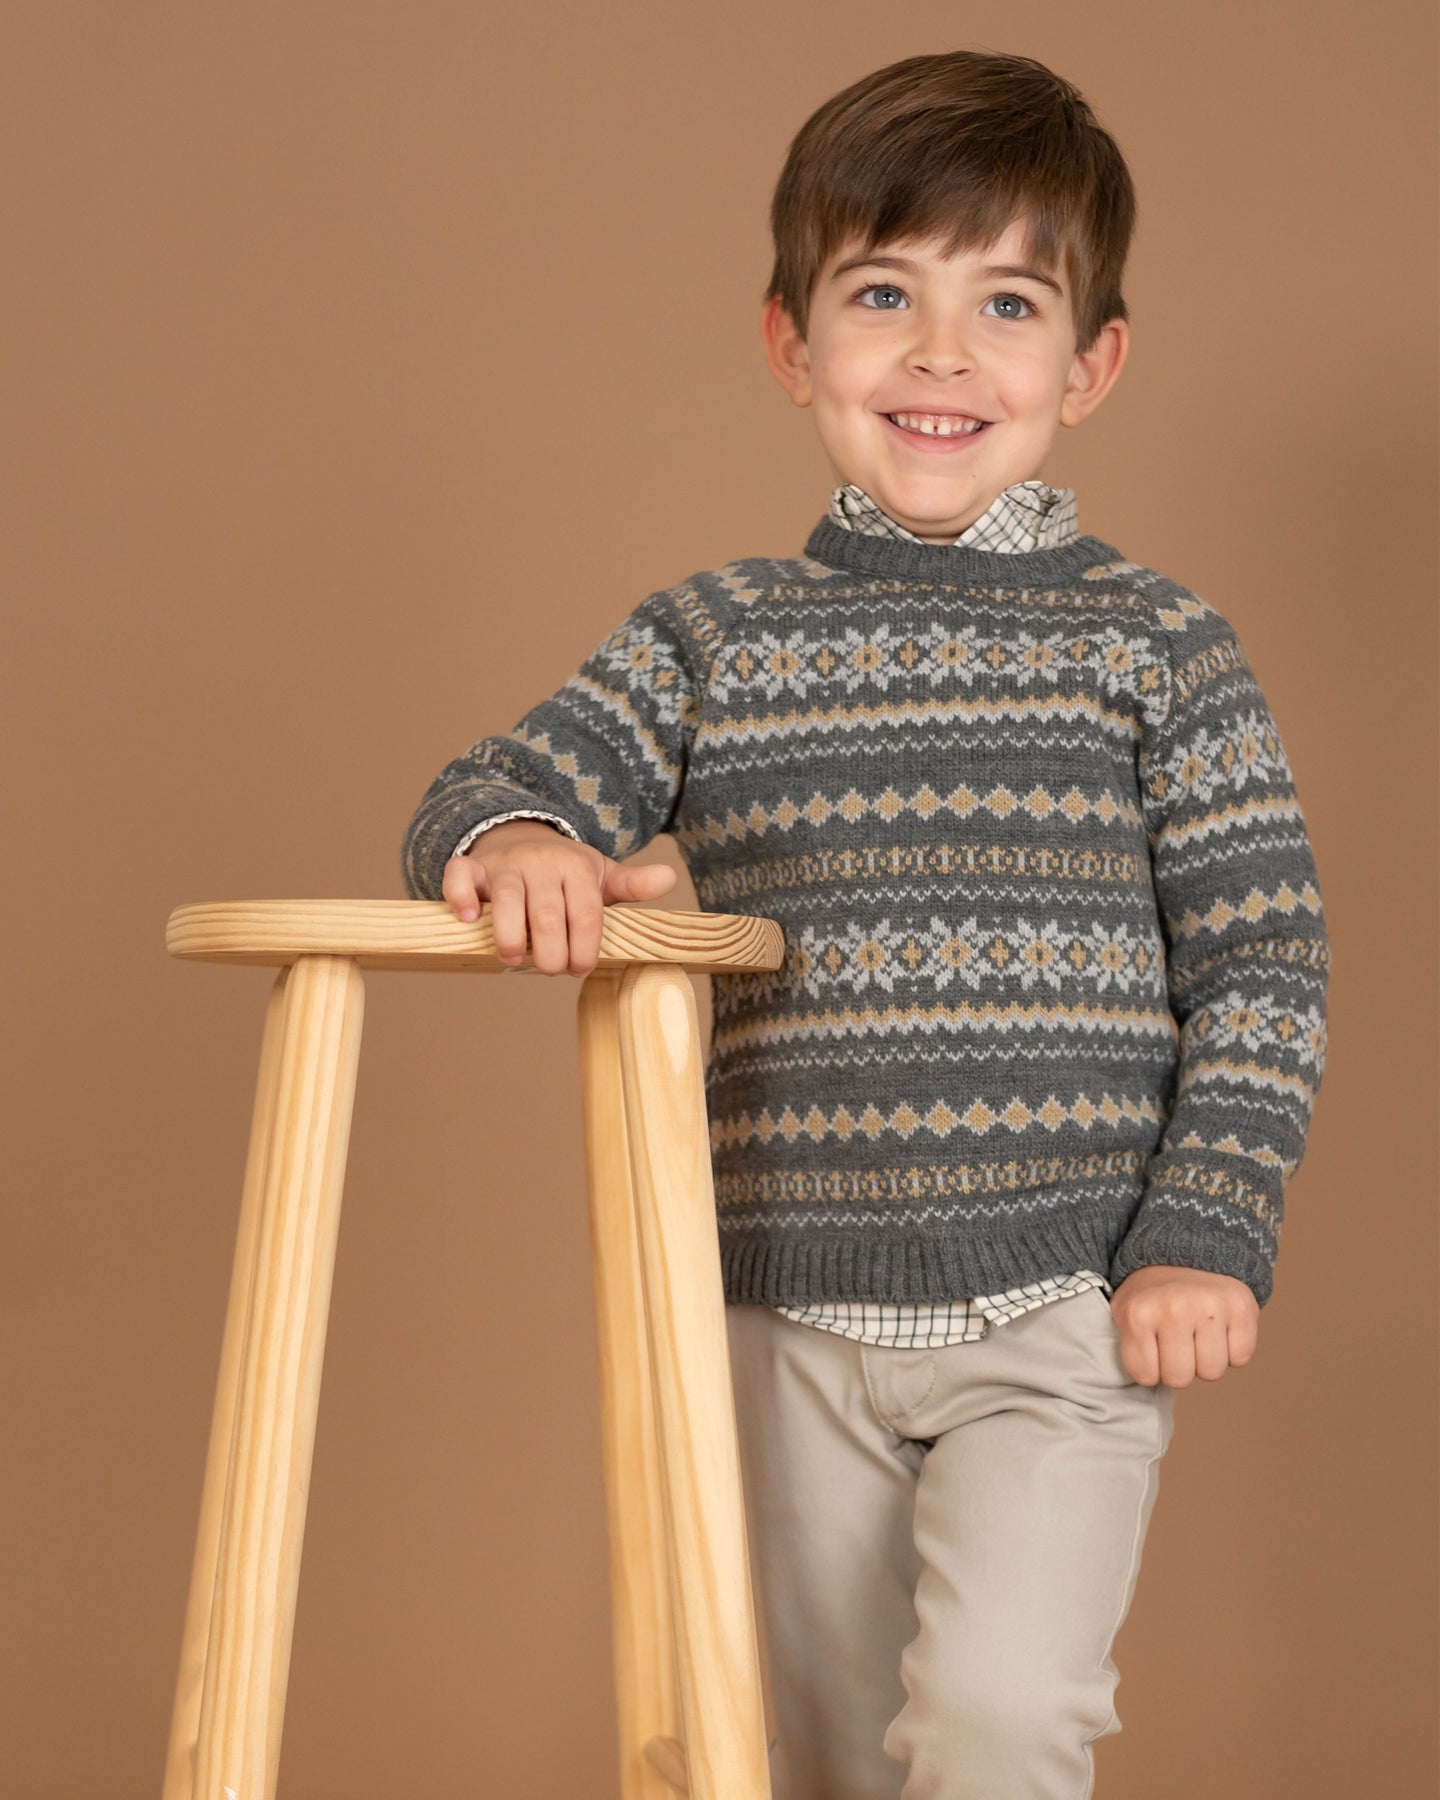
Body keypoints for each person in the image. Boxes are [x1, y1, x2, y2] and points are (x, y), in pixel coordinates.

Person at [400, 48, 1330, 1800]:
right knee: (820, 1753)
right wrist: (525, 837)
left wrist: (1207, 1227)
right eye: (884, 294)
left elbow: (1261, 963)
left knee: (999, 1716)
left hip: (1062, 1311)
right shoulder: (714, 636)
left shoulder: (1159, 649)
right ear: (792, 341)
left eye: (1008, 305)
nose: (941, 355)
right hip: (783, 1314)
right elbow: (498, 781)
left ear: (1090, 364)